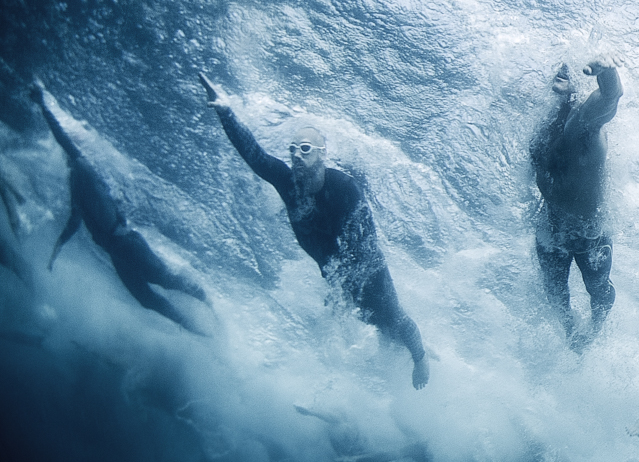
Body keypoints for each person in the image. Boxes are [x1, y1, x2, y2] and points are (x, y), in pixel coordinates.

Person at [200, 73, 429, 388]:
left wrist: (340, 289)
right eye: (292, 149)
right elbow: (254, 155)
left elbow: (361, 248)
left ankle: (421, 358)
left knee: (393, 321)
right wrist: (225, 112)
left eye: (305, 148)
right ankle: (396, 359)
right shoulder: (287, 184)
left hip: (370, 274)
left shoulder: (346, 190)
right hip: (336, 275)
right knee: (374, 328)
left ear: (323, 154)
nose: (296, 154)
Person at [33, 83, 208, 332]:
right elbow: (75, 220)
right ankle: (195, 328)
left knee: (165, 280)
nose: (64, 154)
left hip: (126, 243)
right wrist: (57, 249)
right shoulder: (75, 181)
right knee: (146, 299)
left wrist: (42, 104)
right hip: (116, 252)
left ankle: (208, 303)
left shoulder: (83, 166)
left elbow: (62, 138)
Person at [530, 60, 623, 345]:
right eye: (561, 64)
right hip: (550, 227)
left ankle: (594, 331)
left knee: (598, 290)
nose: (563, 69)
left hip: (588, 235)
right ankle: (571, 334)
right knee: (554, 293)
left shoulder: (585, 121)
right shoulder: (546, 121)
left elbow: (610, 97)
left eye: (572, 68)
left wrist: (607, 73)